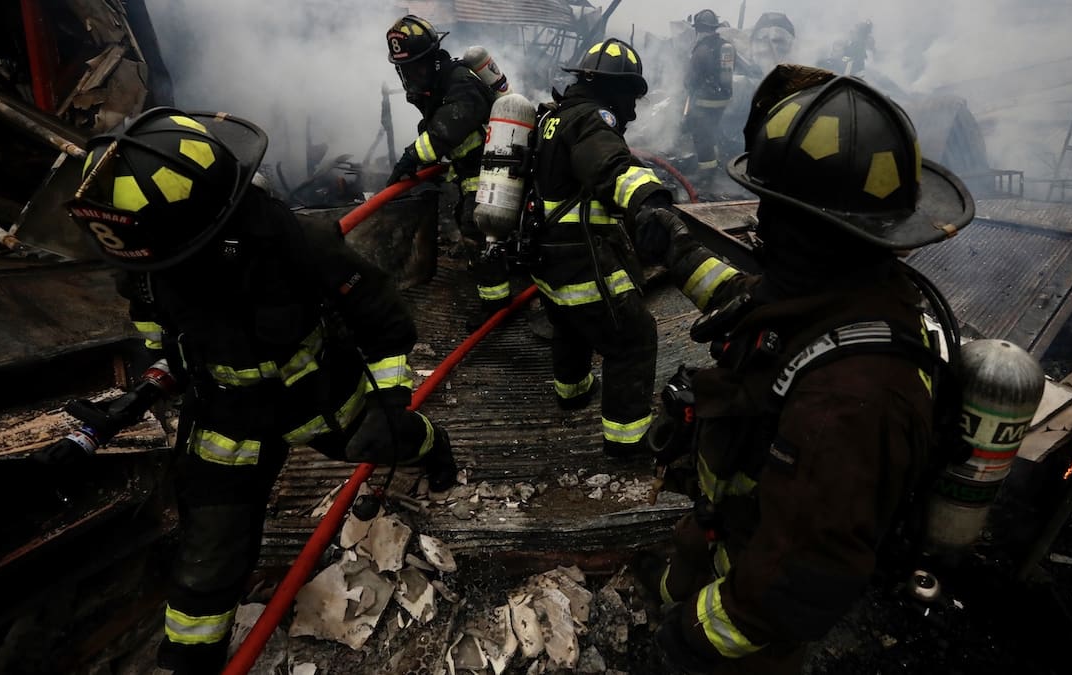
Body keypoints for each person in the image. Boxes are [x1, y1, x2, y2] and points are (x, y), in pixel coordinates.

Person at [62, 107, 457, 674]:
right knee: (208, 558)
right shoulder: (148, 262)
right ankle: (191, 661)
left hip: (319, 397)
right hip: (226, 419)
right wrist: (149, 383)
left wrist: (394, 399)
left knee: (386, 437)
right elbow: (157, 333)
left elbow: (382, 317)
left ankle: (433, 448)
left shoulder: (293, 242)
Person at [634, 67, 975, 673]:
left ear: (807, 226)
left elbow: (793, 587)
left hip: (750, 617)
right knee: (682, 580)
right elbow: (748, 302)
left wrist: (688, 642)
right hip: (725, 530)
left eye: (774, 207)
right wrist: (678, 249)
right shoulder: (841, 289)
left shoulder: (851, 403)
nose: (762, 221)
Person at [530, 38, 676, 458]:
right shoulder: (593, 119)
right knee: (633, 337)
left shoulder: (553, 118)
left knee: (569, 323)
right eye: (630, 95)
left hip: (546, 261)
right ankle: (627, 441)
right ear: (616, 89)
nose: (631, 107)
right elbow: (612, 165)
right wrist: (650, 201)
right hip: (581, 259)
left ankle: (572, 392)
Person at [384, 14, 505, 331]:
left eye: (417, 67)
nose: (411, 75)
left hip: (495, 167)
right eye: (405, 70)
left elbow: (448, 127)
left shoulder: (460, 81)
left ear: (433, 59)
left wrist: (412, 157)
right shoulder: (432, 86)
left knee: (475, 225)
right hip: (475, 168)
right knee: (475, 220)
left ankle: (496, 305)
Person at [683, 9, 735, 183]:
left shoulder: (701, 50)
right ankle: (717, 162)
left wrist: (687, 86)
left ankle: (707, 174)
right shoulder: (725, 45)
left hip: (705, 102)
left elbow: (690, 79)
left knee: (701, 135)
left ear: (698, 28)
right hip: (723, 99)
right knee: (713, 130)